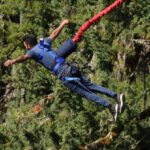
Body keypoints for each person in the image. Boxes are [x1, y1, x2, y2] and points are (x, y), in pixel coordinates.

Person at [4, 19, 125, 122]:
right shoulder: (43, 43)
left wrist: (13, 61)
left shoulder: (32, 51)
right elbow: (54, 33)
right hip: (69, 67)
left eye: (25, 45)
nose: (25, 47)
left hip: (63, 73)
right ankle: (116, 96)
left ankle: (111, 107)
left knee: (86, 93)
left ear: (28, 45)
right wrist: (63, 23)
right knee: (90, 85)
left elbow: (24, 57)